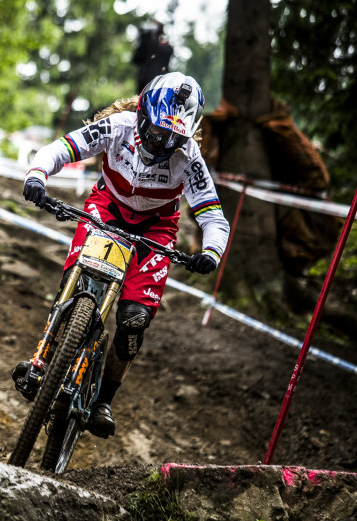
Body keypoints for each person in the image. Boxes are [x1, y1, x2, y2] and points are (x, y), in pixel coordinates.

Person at [13, 72, 230, 438]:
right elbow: (61, 149)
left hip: (155, 230)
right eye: (158, 132)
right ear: (142, 115)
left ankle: (103, 401)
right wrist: (37, 175)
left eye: (174, 137)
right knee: (75, 276)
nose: (163, 143)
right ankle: (42, 357)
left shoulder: (188, 156)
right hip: (107, 209)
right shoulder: (117, 127)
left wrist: (211, 251)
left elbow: (213, 216)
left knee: (133, 322)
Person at [132, 21, 173, 93]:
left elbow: (161, 52)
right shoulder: (145, 47)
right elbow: (135, 60)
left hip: (159, 83)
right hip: (144, 84)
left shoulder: (165, 47)